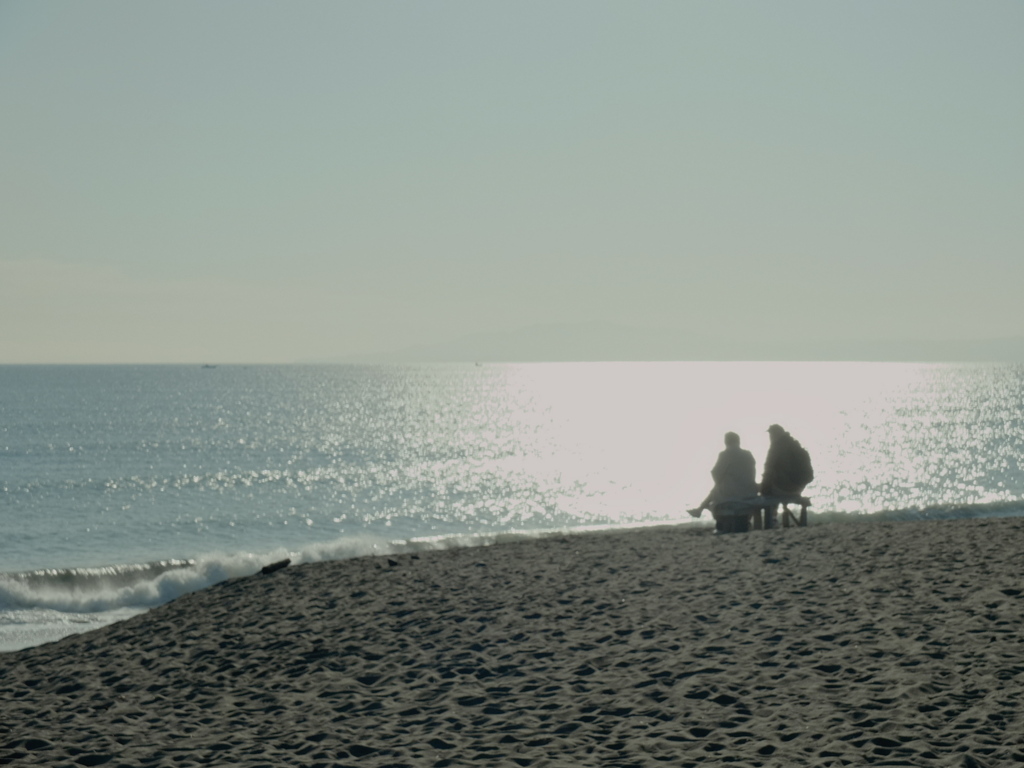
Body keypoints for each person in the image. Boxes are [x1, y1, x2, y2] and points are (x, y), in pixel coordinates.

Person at [692, 432, 759, 532]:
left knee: (716, 489)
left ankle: (701, 508)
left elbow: (716, 474)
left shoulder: (725, 454)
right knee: (718, 487)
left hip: (732, 495)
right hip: (749, 492)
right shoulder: (748, 454)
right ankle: (700, 508)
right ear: (739, 441)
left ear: (725, 442)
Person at [760, 424, 814, 528]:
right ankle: (780, 519)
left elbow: (768, 470)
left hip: (784, 488)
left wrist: (763, 488)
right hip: (798, 488)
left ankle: (772, 519)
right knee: (771, 485)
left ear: (775, 434)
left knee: (767, 489)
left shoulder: (776, 447)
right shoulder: (795, 444)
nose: (770, 437)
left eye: (771, 434)